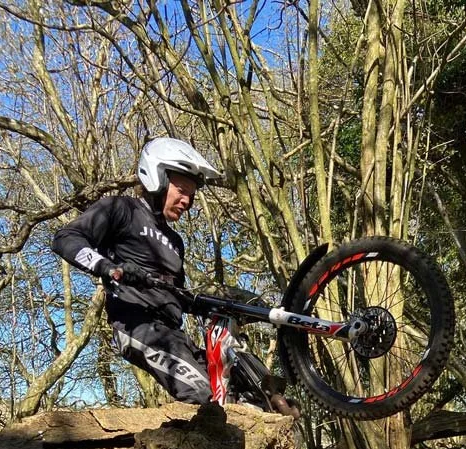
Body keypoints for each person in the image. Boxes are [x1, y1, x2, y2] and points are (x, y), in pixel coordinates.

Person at [51, 137, 297, 414]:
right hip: (138, 327)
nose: (187, 201)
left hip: (174, 334)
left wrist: (220, 302)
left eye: (192, 195)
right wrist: (108, 267)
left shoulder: (175, 241)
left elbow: (179, 296)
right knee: (205, 394)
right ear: (157, 178)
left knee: (234, 388)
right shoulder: (121, 209)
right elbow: (65, 239)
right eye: (181, 190)